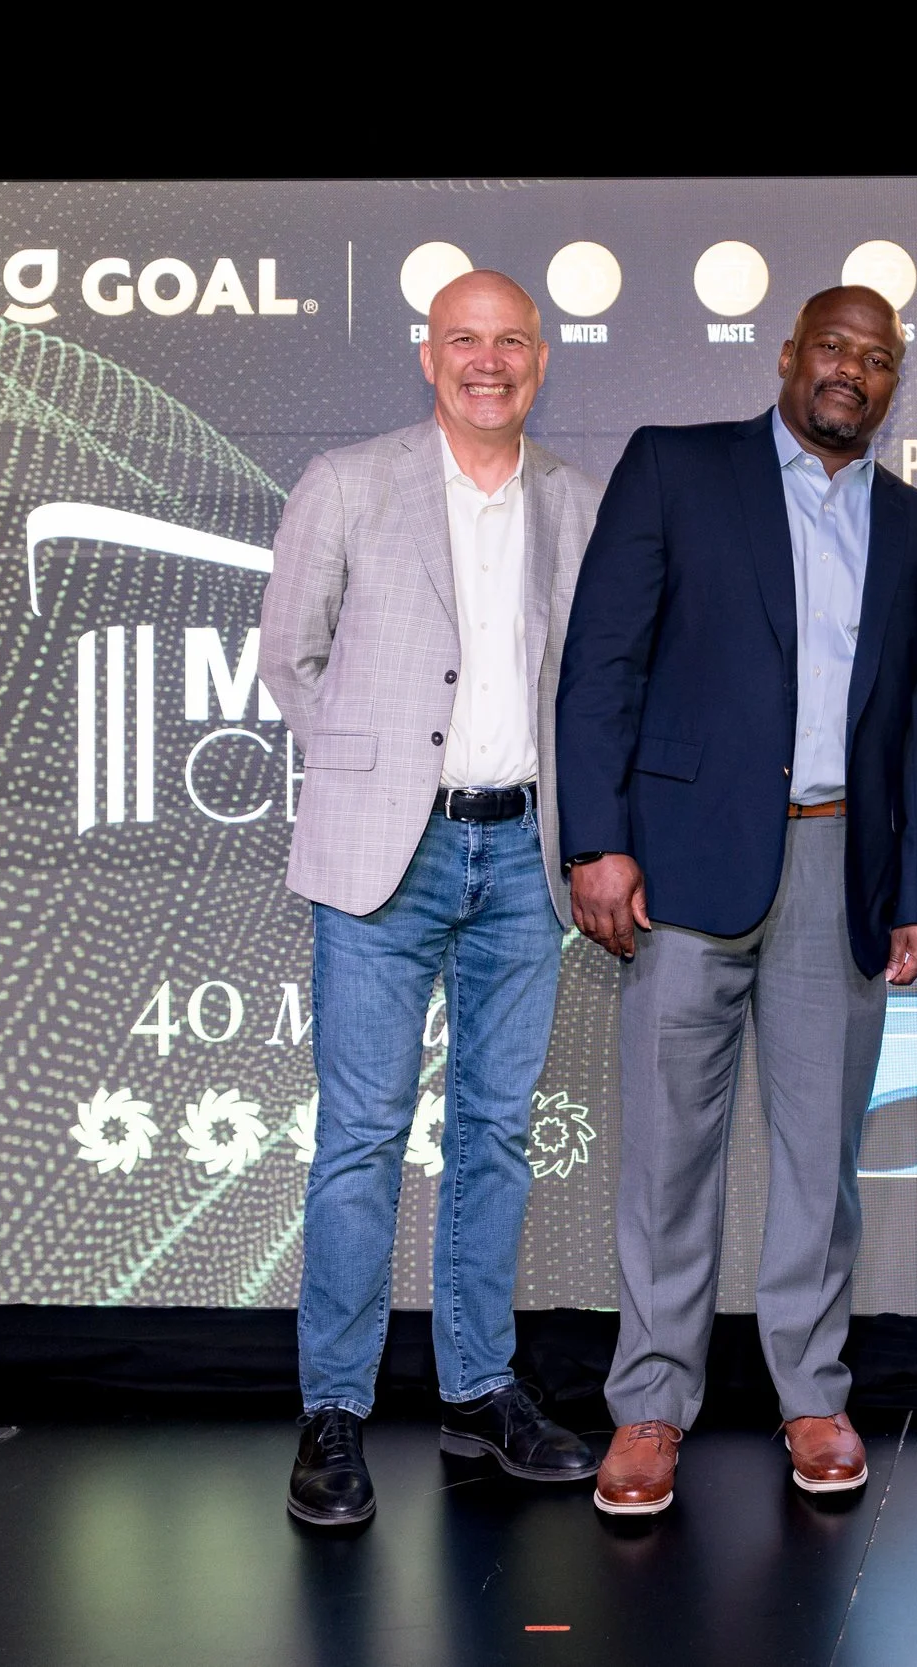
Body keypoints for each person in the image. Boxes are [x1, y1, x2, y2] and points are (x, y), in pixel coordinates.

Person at [557, 286, 917, 1515]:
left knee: (817, 1164)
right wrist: (599, 841)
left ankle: (812, 1392)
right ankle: (648, 1405)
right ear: (787, 356)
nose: (852, 371)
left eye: (876, 359)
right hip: (680, 871)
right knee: (668, 1157)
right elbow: (601, 665)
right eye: (832, 348)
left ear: (894, 383)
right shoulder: (677, 470)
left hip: (841, 871)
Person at [262, 270, 605, 1528]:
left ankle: (478, 1392)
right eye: (465, 340)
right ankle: (333, 1412)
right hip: (383, 856)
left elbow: (588, 672)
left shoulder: (573, 497)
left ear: (540, 359)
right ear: (427, 356)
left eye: (510, 341)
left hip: (524, 856)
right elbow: (291, 657)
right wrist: (368, 769)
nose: (488, 361)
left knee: (495, 1135)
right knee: (358, 1138)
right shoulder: (348, 483)